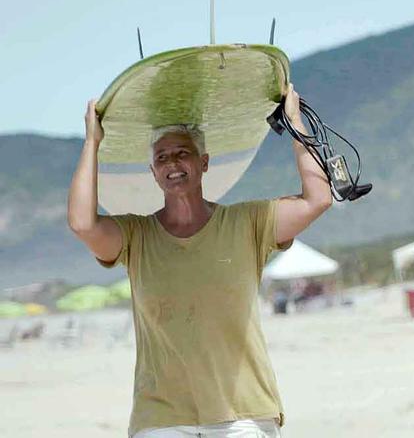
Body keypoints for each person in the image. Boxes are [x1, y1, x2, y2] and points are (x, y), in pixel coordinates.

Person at [67, 84, 332, 438]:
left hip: (243, 413)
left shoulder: (246, 223)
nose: (172, 163)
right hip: (162, 418)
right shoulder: (136, 237)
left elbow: (318, 200)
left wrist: (295, 121)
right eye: (161, 157)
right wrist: (92, 143)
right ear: (153, 172)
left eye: (182, 153)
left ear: (204, 162)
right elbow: (83, 223)